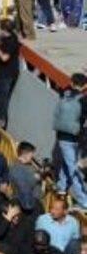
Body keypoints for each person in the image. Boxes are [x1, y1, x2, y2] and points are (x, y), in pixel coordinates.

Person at [54, 73, 87, 208]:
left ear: (72, 83)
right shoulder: (84, 100)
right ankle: (84, 200)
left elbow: (64, 88)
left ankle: (61, 185)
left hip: (62, 136)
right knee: (74, 168)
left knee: (67, 162)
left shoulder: (65, 93)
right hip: (77, 137)